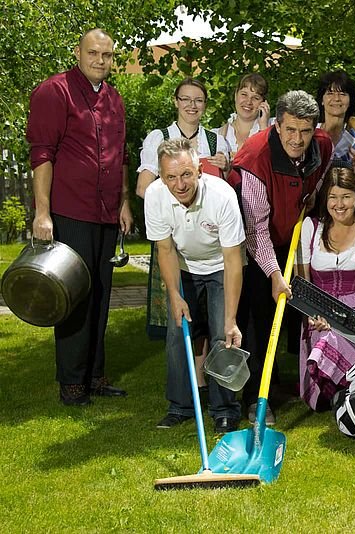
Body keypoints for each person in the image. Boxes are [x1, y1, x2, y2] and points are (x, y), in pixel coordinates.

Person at [26, 28, 133, 406]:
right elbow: (41, 154)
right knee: (75, 297)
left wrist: (123, 202)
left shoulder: (115, 99)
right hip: (70, 211)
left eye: (107, 55)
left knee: (102, 296)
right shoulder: (54, 92)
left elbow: (120, 157)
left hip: (105, 212)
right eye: (93, 53)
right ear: (78, 52)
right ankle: (72, 384)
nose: (100, 61)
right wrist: (42, 213)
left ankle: (95, 376)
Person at [229, 90, 334, 424]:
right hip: (257, 244)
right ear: (277, 125)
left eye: (304, 131)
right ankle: (255, 397)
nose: (297, 138)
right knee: (261, 321)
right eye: (289, 130)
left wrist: (311, 199)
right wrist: (275, 275)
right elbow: (254, 230)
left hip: (297, 237)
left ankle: (305, 381)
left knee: (299, 314)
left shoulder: (322, 144)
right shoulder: (254, 158)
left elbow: (320, 180)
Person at [144, 139, 244, 433]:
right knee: (178, 334)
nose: (180, 184)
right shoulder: (155, 195)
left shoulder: (222, 196)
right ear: (162, 177)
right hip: (184, 266)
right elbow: (165, 250)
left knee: (222, 335)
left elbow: (233, 259)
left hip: (221, 266)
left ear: (200, 170)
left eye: (186, 174)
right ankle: (180, 406)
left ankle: (225, 409)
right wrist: (174, 295)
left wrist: (230, 319)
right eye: (171, 177)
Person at [136, 78, 230, 343]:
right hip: (174, 235)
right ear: (176, 102)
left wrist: (227, 167)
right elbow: (144, 187)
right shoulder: (159, 138)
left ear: (205, 105)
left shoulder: (216, 141)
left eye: (198, 100)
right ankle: (190, 382)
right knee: (183, 320)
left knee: (214, 322)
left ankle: (205, 380)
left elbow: (225, 191)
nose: (192, 105)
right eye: (186, 99)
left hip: (209, 236)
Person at [297, 164, 355, 411]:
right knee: (326, 335)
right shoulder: (311, 227)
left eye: (346, 197)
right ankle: (342, 391)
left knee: (337, 336)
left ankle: (348, 390)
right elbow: (303, 285)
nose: (339, 204)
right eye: (333, 197)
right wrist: (313, 316)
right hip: (321, 310)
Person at [315, 70, 355, 178]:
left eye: (342, 94)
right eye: (330, 93)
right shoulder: (310, 133)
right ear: (321, 100)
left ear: (350, 101)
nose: (336, 99)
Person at [216, 73, 271, 156]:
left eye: (256, 98)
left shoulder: (274, 128)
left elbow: (274, 162)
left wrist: (263, 128)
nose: (248, 102)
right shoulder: (217, 135)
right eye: (244, 94)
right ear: (235, 95)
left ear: (263, 102)